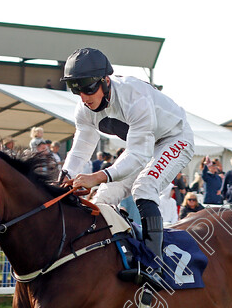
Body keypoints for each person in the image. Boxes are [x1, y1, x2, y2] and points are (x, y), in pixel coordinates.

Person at [61, 47, 195, 286]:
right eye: (76, 89)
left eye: (88, 88)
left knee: (144, 187)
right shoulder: (84, 109)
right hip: (145, 145)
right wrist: (64, 178)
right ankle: (114, 260)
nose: (83, 96)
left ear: (105, 80)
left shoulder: (135, 97)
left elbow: (139, 155)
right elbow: (80, 149)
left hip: (174, 138)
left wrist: (97, 176)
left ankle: (155, 265)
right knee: (101, 199)